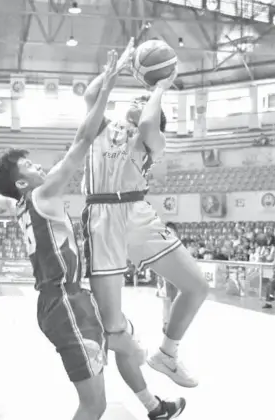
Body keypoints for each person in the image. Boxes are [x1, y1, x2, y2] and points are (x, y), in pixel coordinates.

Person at [0, 49, 184, 420]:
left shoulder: (23, 204)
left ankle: (155, 408)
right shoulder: (42, 195)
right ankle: (153, 403)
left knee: (122, 341)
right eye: (29, 166)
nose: (39, 166)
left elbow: (8, 201)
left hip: (69, 298)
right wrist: (107, 87)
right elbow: (83, 139)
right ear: (24, 182)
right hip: (66, 304)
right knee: (94, 404)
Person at [82, 55, 209, 389]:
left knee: (197, 286)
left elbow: (151, 124)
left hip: (136, 212)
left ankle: (168, 353)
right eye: (137, 99)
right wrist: (119, 67)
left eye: (145, 100)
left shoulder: (153, 139)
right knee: (109, 323)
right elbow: (90, 96)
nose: (139, 100)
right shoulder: (105, 127)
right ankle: (136, 390)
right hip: (101, 217)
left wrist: (160, 88)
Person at [155, 222, 179, 333]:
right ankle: (166, 324)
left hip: (175, 275)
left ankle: (172, 322)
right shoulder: (160, 243)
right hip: (164, 275)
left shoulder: (178, 244)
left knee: (174, 301)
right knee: (166, 301)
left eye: (171, 231)